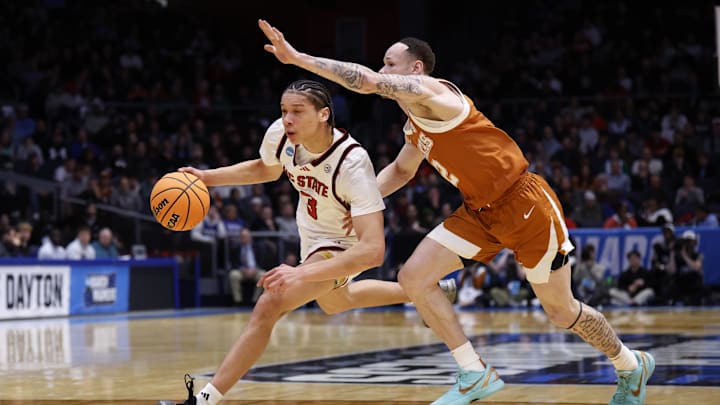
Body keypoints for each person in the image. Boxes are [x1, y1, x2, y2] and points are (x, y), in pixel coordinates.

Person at [258, 19, 654, 404]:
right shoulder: (415, 124)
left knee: (560, 310)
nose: (383, 69)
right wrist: (362, 200)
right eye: (382, 62)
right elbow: (401, 169)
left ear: (415, 69)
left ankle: (630, 363)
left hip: (524, 204)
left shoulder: (436, 93)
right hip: (479, 212)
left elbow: (369, 82)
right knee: (413, 276)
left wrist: (300, 59)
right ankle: (473, 372)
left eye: (390, 62)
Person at [159, 79, 455, 405]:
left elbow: (373, 251)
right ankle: (426, 291)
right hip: (311, 236)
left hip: (343, 244)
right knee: (335, 302)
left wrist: (299, 273)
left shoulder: (352, 162)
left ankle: (203, 400)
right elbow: (266, 169)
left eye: (298, 112)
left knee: (270, 303)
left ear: (324, 114)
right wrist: (208, 177)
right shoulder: (282, 136)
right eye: (284, 111)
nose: (288, 119)